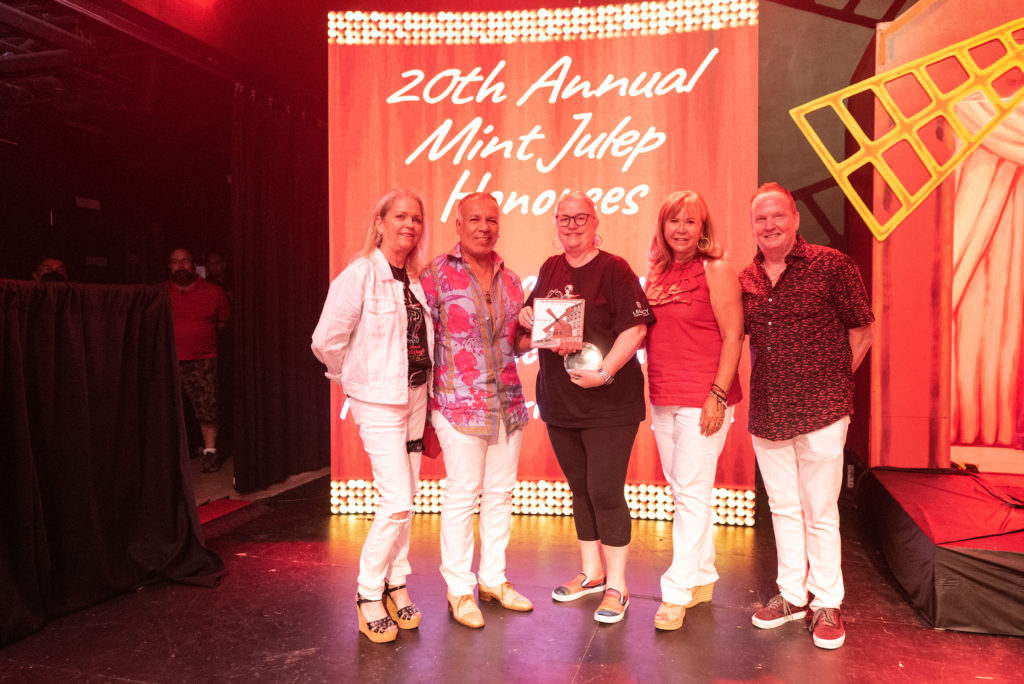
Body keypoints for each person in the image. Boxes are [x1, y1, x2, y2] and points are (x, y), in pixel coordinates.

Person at [740, 182, 873, 650]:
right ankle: (791, 594)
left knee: (820, 509)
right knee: (782, 507)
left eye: (778, 216)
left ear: (795, 219)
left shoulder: (832, 264)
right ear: (752, 226)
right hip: (769, 411)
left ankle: (827, 602)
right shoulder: (748, 278)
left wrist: (833, 380)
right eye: (761, 219)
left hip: (823, 408)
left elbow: (862, 329)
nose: (770, 225)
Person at [517, 191, 655, 624]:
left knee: (605, 490)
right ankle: (591, 572)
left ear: (596, 222)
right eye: (564, 218)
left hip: (609, 401)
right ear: (555, 223)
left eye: (581, 217)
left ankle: (617, 585)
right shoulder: (550, 267)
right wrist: (525, 317)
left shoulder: (615, 268)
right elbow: (535, 318)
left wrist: (606, 372)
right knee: (579, 488)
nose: (572, 225)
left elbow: (635, 329)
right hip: (561, 401)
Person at [311, 189, 433, 644]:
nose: (409, 225)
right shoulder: (360, 274)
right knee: (396, 500)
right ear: (379, 222)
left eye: (416, 218)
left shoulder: (414, 279)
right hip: (379, 402)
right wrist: (354, 379)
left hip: (416, 398)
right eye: (400, 216)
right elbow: (326, 340)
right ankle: (367, 594)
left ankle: (396, 583)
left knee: (409, 501)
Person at [421, 192, 532, 629]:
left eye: (491, 220)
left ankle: (493, 579)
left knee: (501, 495)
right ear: (459, 225)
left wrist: (544, 337)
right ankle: (459, 589)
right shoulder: (434, 275)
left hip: (507, 402)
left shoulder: (514, 280)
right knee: (463, 495)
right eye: (475, 220)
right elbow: (420, 340)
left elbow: (514, 344)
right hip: (456, 403)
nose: (484, 227)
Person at [644, 191, 744, 631]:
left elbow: (734, 334)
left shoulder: (715, 269)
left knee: (689, 492)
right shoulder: (658, 273)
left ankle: (677, 590)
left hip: (703, 398)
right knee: (685, 490)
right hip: (663, 396)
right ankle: (702, 574)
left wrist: (717, 394)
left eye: (690, 222)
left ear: (703, 229)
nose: (681, 229)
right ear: (663, 227)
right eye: (673, 221)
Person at [166, 247, 230, 473]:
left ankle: (210, 452)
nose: (181, 265)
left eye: (185, 261)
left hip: (203, 359)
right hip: (168, 361)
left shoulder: (213, 292)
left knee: (207, 407)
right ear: (169, 266)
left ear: (194, 266)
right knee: (169, 410)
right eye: (175, 262)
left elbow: (223, 323)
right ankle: (175, 454)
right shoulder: (159, 293)